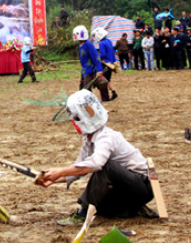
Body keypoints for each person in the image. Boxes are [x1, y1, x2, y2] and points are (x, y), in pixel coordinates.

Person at [36, 89, 156, 225]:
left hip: (142, 186)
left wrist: (61, 171)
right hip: (126, 189)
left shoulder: (106, 137)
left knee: (105, 166)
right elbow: (79, 167)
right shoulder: (89, 139)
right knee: (99, 208)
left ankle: (83, 213)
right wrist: (54, 178)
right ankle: (133, 209)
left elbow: (96, 163)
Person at [74, 25, 109, 101]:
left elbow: (96, 57)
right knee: (82, 88)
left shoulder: (88, 44)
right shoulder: (80, 45)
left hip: (89, 70)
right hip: (84, 70)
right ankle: (85, 103)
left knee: (86, 89)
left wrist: (99, 69)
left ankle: (91, 103)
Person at [93, 28, 118, 99]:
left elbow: (103, 54)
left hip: (106, 64)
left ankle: (105, 98)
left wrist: (97, 58)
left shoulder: (101, 43)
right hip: (112, 63)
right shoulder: (109, 41)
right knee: (108, 79)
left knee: (102, 80)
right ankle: (114, 92)